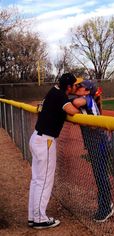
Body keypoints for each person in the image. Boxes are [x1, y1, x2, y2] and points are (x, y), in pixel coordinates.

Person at [28, 73, 81, 229]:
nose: (76, 87)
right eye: (74, 85)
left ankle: (34, 216)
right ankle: (40, 219)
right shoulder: (59, 96)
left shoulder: (53, 91)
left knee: (37, 180)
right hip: (46, 141)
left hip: (38, 138)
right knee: (44, 181)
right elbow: (73, 111)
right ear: (68, 86)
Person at [72, 79, 114, 223]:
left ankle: (107, 207)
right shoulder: (85, 98)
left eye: (81, 87)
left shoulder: (87, 99)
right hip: (94, 143)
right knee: (99, 174)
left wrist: (65, 101)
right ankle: (105, 204)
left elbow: (76, 103)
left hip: (100, 143)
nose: (77, 88)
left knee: (101, 175)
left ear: (87, 91)